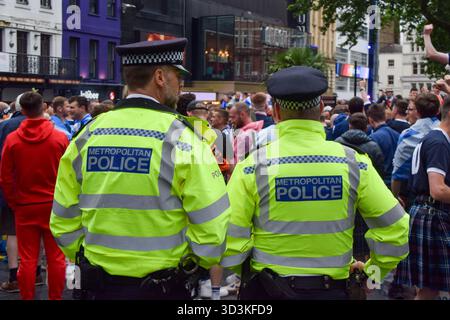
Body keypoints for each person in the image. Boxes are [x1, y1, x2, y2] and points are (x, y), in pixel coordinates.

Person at [49, 38, 230, 300]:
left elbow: (63, 218)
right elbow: (213, 225)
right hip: (163, 286)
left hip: (97, 285)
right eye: (177, 76)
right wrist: (190, 262)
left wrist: (88, 255)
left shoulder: (88, 135)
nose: (180, 85)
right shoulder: (183, 138)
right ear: (159, 77)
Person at [220, 66, 409, 300]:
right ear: (320, 109)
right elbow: (397, 229)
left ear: (276, 112)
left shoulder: (253, 166)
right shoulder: (353, 163)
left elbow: (228, 238)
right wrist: (372, 275)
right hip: (334, 291)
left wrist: (250, 273)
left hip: (267, 290)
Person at [0, 92, 68, 300]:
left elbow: (5, 177)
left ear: (22, 110)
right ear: (44, 107)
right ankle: (55, 296)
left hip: (25, 205)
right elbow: (69, 175)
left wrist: (15, 201)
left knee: (27, 258)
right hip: (53, 205)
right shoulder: (60, 138)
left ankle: (27, 296)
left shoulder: (12, 140)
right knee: (56, 257)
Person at [397, 97, 450, 299]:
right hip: (433, 215)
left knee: (427, 290)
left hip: (428, 213)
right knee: (428, 290)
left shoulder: (435, 139)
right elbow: (438, 189)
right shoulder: (439, 143)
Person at [367, 103, 400, 187]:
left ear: (370, 120)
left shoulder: (372, 138)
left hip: (381, 183)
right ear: (385, 117)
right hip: (396, 182)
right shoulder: (398, 135)